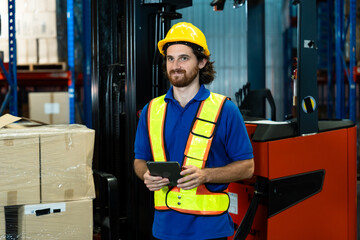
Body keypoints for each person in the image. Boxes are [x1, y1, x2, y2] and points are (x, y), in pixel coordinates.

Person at [134, 22, 254, 240]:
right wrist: (146, 175)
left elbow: (247, 168)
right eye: (170, 58)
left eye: (184, 58)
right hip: (164, 230)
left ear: (202, 62)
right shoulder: (152, 110)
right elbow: (140, 160)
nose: (175, 65)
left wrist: (206, 175)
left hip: (210, 230)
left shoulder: (225, 110)